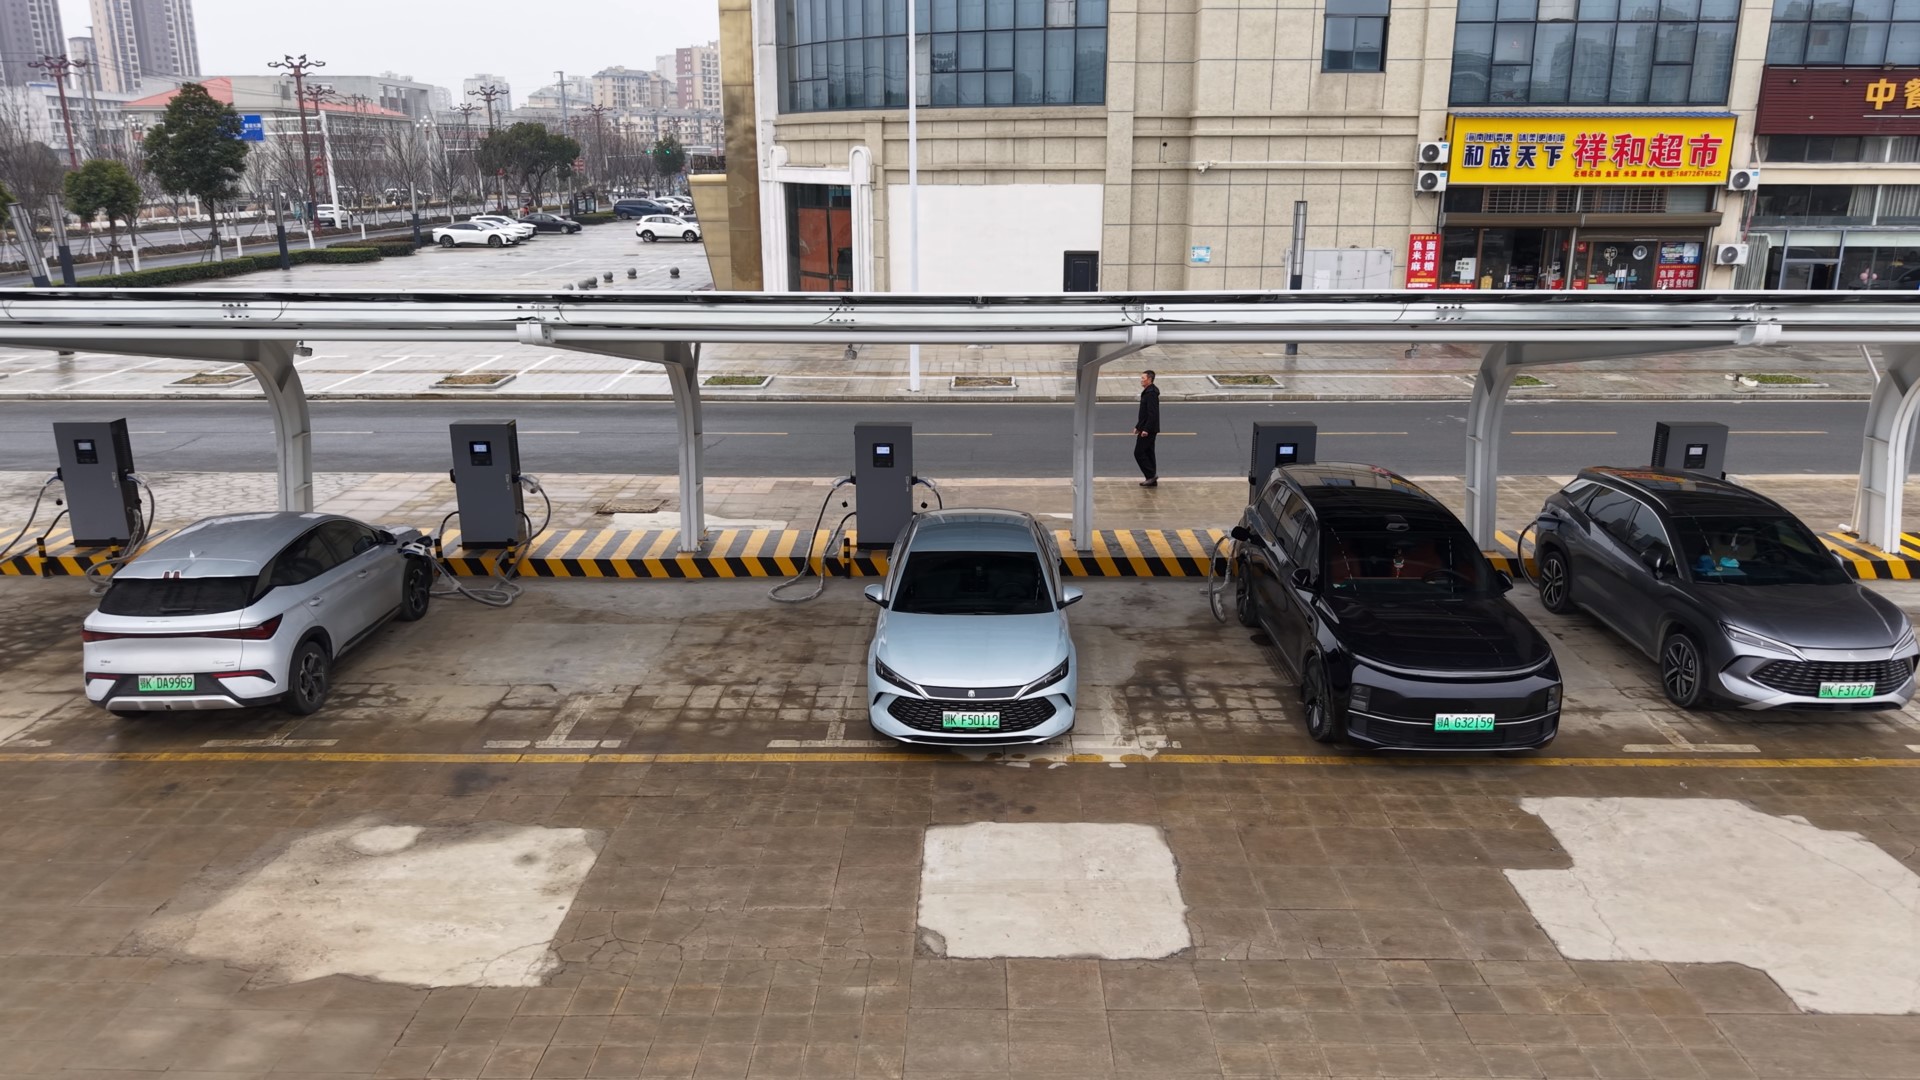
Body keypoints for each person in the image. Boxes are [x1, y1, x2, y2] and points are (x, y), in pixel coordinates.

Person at [1133, 370, 1160, 488]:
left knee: (1139, 453)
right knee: (1149, 452)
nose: (1141, 380)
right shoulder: (1148, 391)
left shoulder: (1151, 393)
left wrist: (1146, 429)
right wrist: (1138, 426)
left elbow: (1152, 413)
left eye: (1143, 378)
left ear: (1149, 379)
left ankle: (1151, 476)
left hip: (1149, 429)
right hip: (1146, 427)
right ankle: (1152, 479)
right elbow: (1144, 413)